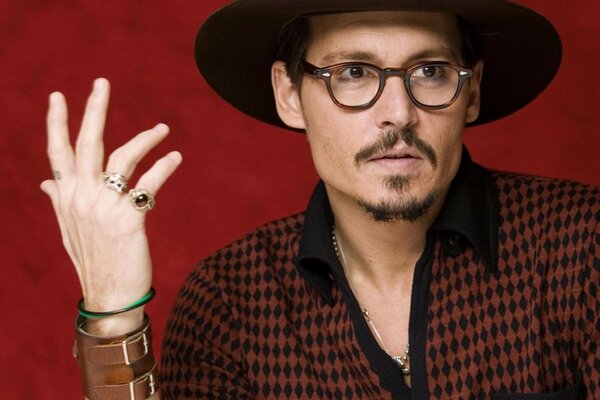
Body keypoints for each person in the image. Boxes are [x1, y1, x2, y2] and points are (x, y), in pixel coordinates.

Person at [41, 0, 598, 399]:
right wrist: (113, 313)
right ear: (289, 95)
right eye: (353, 73)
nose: (398, 113)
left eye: (429, 71)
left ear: (470, 92)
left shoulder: (581, 244)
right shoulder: (231, 300)